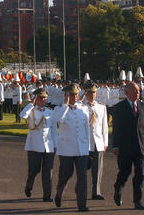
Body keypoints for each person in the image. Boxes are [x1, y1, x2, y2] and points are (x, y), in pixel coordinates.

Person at [112, 82, 144, 211]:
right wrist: (115, 145)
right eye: (134, 91)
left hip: (140, 146)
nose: (137, 93)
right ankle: (118, 188)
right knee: (125, 172)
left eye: (138, 91)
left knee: (140, 174)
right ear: (127, 93)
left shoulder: (143, 106)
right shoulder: (119, 108)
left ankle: (137, 201)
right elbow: (116, 129)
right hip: (125, 147)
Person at [54, 83, 90, 212]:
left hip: (81, 148)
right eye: (71, 95)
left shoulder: (83, 109)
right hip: (67, 148)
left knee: (82, 177)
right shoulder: (60, 109)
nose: (74, 97)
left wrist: (88, 147)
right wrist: (65, 104)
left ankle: (82, 204)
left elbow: (87, 129)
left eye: (75, 94)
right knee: (65, 175)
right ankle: (59, 192)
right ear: (66, 95)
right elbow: (58, 120)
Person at [20, 87, 57, 202]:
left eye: (44, 98)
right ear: (36, 99)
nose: (43, 100)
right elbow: (22, 115)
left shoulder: (50, 112)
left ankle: (47, 195)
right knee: (34, 170)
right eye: (40, 98)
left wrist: (55, 145)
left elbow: (54, 130)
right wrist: (32, 103)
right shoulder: (31, 110)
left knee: (48, 172)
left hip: (48, 146)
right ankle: (29, 185)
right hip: (34, 145)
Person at [84, 82, 108, 200]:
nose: (93, 94)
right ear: (86, 93)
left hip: (97, 142)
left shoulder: (101, 107)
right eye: (90, 92)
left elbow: (104, 127)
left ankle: (96, 192)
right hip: (84, 143)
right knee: (82, 169)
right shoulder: (81, 107)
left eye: (94, 92)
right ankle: (80, 189)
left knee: (97, 170)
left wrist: (105, 143)